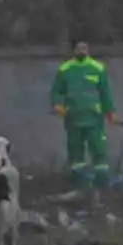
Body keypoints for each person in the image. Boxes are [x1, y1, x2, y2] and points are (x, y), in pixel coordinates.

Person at [49, 39, 117, 188]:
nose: (82, 50)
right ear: (74, 50)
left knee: (98, 148)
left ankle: (101, 182)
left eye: (84, 47)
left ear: (88, 49)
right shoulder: (65, 69)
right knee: (75, 149)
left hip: (94, 118)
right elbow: (56, 91)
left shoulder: (98, 68)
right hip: (73, 118)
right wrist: (57, 105)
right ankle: (79, 182)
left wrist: (110, 111)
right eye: (79, 48)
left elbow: (106, 92)